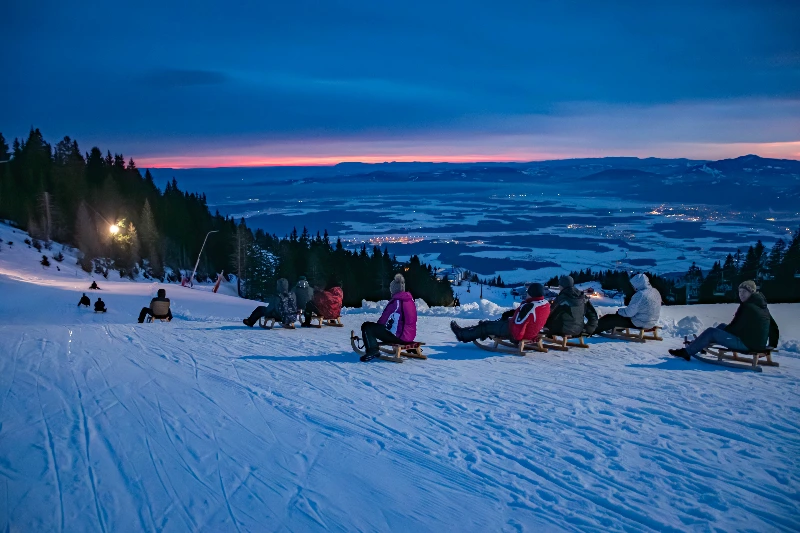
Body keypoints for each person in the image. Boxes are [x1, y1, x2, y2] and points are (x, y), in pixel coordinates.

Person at [670, 280, 779, 361]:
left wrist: (721, 334)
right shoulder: (762, 307)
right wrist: (772, 344)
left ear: (751, 292)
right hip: (756, 343)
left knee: (711, 332)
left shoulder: (747, 307)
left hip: (747, 344)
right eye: (740, 291)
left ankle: (687, 352)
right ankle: (700, 344)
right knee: (721, 326)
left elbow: (736, 327)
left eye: (744, 292)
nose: (741, 294)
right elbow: (773, 327)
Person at [450, 283, 551, 344]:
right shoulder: (544, 304)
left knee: (485, 326)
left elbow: (519, 329)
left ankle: (461, 335)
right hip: (530, 334)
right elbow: (529, 319)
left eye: (528, 292)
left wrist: (515, 338)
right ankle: (476, 331)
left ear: (532, 293)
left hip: (513, 332)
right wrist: (512, 315)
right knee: (493, 324)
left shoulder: (529, 306)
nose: (526, 294)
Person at [359, 274, 417, 362]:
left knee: (367, 326)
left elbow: (382, 321)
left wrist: (376, 331)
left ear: (393, 290)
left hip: (400, 337)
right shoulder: (410, 301)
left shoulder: (395, 302)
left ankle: (373, 350)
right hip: (410, 336)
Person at [595, 273, 661, 333]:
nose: (633, 287)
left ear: (637, 284)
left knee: (609, 318)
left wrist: (619, 311)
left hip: (639, 322)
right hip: (651, 322)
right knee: (622, 319)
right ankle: (613, 329)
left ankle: (592, 330)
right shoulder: (655, 292)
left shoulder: (640, 294)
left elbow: (629, 313)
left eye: (634, 285)